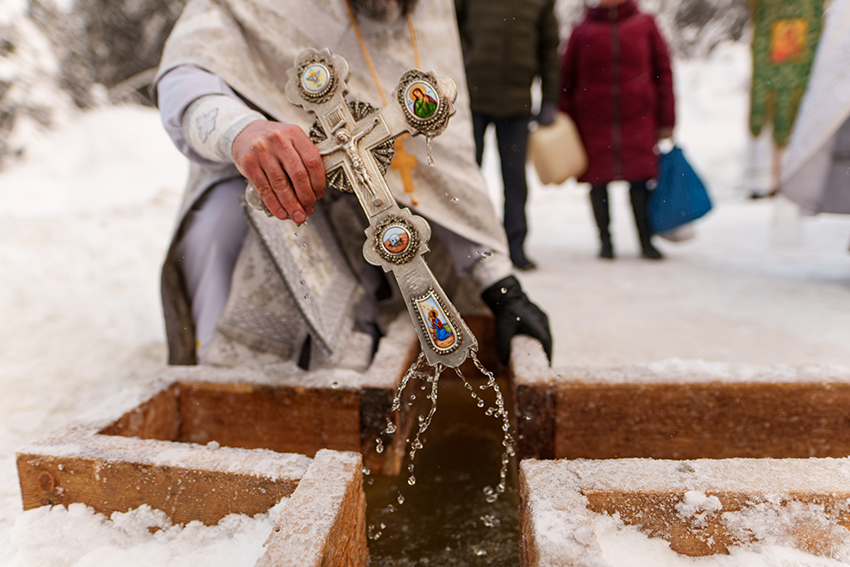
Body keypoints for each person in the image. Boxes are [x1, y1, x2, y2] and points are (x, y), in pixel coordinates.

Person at [152, 0, 552, 369]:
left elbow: (447, 165)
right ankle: (223, 396)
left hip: (382, 217)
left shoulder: (428, 8)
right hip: (256, 179)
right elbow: (188, 67)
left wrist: (499, 283)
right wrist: (240, 131)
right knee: (220, 232)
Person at [559, 0, 675, 260]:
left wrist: (667, 117)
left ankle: (646, 241)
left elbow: (663, 72)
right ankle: (605, 241)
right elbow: (566, 78)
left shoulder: (645, 25)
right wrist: (564, 119)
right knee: (598, 181)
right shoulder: (582, 30)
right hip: (593, 119)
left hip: (638, 117)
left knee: (640, 180)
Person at [454, 0, 561, 271]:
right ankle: (467, 240)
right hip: (472, 100)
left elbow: (549, 48)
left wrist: (550, 98)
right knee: (467, 175)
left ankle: (515, 245)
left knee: (515, 180)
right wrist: (464, 63)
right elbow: (451, 31)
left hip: (516, 105)